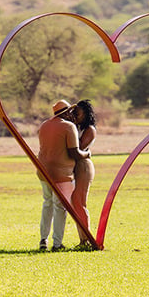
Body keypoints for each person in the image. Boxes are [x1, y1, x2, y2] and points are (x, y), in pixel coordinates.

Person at [37, 100, 91, 251]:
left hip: (42, 171)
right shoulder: (68, 127)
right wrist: (87, 154)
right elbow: (74, 152)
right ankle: (57, 244)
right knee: (60, 207)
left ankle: (43, 240)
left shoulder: (44, 125)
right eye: (71, 112)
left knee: (47, 204)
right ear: (66, 113)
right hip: (61, 174)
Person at [70, 99, 97, 250]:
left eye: (77, 113)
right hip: (75, 166)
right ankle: (83, 239)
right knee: (75, 203)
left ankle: (86, 240)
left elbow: (78, 148)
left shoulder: (89, 129)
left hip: (83, 166)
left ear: (86, 114)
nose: (75, 116)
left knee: (79, 202)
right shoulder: (75, 127)